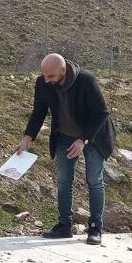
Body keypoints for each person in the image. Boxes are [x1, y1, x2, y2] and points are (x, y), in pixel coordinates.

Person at [13, 53, 115, 245]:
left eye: (50, 76)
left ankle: (95, 227)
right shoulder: (43, 83)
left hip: (93, 135)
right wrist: (27, 139)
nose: (46, 80)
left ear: (63, 70)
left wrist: (83, 139)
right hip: (64, 135)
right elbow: (38, 112)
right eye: (44, 75)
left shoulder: (86, 81)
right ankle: (64, 226)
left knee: (94, 179)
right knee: (63, 180)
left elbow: (102, 113)